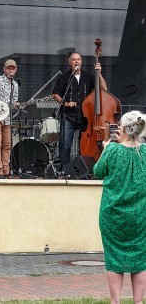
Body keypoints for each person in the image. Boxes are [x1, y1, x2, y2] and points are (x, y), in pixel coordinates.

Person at [93, 110, 146, 304]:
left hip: (112, 214)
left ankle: (115, 302)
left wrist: (107, 148)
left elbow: (98, 171)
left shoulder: (113, 150)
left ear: (122, 128)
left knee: (114, 260)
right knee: (140, 260)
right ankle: (138, 302)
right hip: (140, 215)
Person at [52, 52, 107, 170]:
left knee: (86, 145)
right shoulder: (64, 77)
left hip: (85, 117)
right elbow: (56, 94)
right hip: (68, 116)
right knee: (65, 145)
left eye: (78, 59)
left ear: (81, 62)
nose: (76, 61)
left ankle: (85, 169)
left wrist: (99, 73)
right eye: (74, 60)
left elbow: (103, 88)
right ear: (69, 62)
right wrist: (65, 103)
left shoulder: (89, 76)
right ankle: (65, 170)